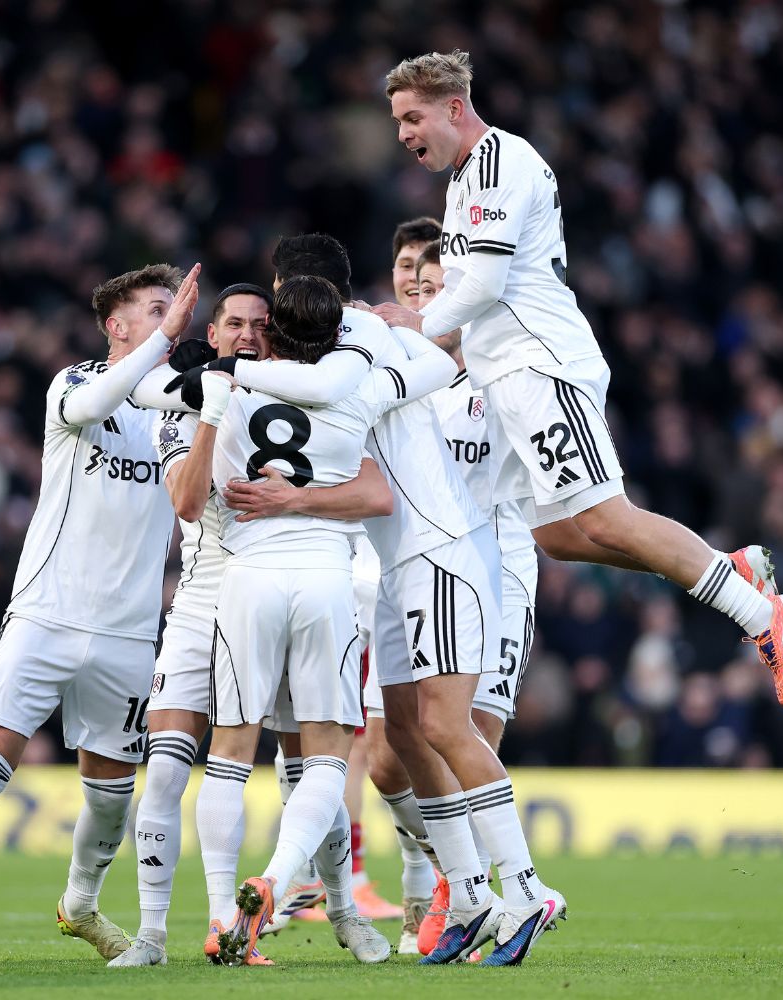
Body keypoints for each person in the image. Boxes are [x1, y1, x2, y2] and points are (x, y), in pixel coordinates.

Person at [372, 51, 783, 717]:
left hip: (541, 369)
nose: (402, 133)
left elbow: (482, 285)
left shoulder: (496, 162)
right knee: (558, 534)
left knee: (605, 514)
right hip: (507, 379)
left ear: (454, 109)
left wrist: (417, 323)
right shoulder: (462, 182)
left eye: (412, 117)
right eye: (398, 120)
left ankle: (761, 612)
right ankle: (731, 565)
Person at [217, 234, 563, 966]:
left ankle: (528, 889)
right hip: (395, 563)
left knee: (443, 723)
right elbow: (436, 363)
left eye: (279, 295)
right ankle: (469, 893)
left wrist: (231, 375)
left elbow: (411, 383)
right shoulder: (354, 346)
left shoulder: (358, 340)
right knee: (398, 737)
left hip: (436, 549)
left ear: (298, 289)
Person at [0, 263, 201, 967]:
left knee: (108, 804)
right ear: (116, 325)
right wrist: (168, 342)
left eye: (175, 307)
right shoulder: (74, 384)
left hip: (128, 633)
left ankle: (81, 905)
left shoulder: (177, 408)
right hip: (45, 617)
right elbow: (98, 401)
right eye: (156, 308)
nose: (172, 317)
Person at [112, 282, 395, 968]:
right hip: (204, 598)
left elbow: (372, 489)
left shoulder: (297, 389)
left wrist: (296, 496)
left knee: (304, 768)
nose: (245, 333)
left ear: (274, 332)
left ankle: (341, 910)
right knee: (171, 770)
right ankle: (161, 932)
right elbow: (185, 499)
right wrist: (214, 404)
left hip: (259, 583)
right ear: (213, 335)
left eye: (257, 324)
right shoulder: (191, 399)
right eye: (233, 323)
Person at [195, 274, 452, 967]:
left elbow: (192, 490)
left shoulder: (223, 386)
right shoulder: (351, 386)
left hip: (244, 578)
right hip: (325, 579)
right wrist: (379, 329)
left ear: (274, 328)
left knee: (228, 752)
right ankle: (276, 882)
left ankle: (225, 915)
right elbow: (436, 370)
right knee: (327, 755)